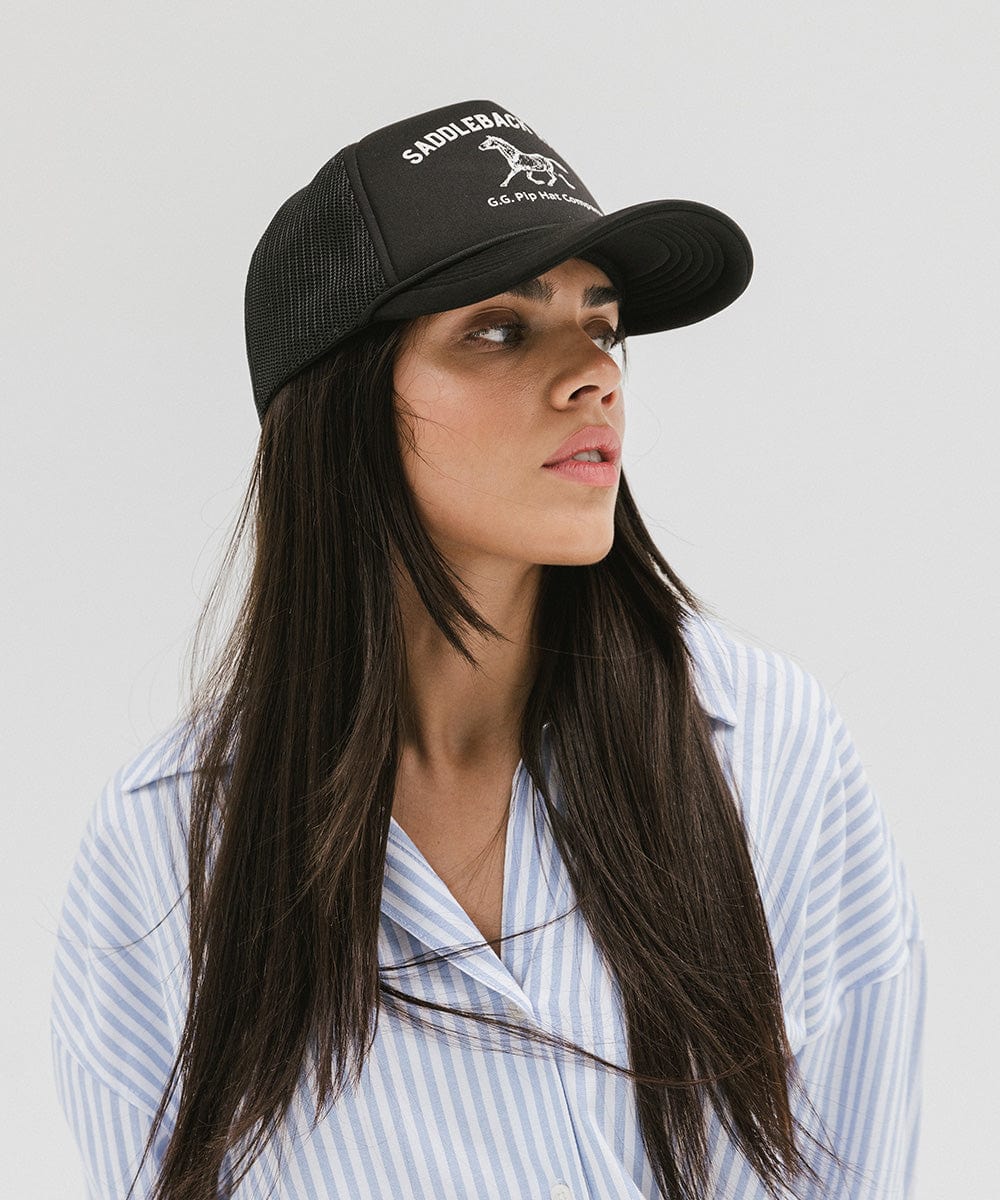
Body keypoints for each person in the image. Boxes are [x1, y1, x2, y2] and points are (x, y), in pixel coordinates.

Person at [50, 99, 926, 1200]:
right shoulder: (167, 850)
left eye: (602, 325)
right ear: (344, 403)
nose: (595, 375)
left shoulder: (767, 748)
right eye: (500, 330)